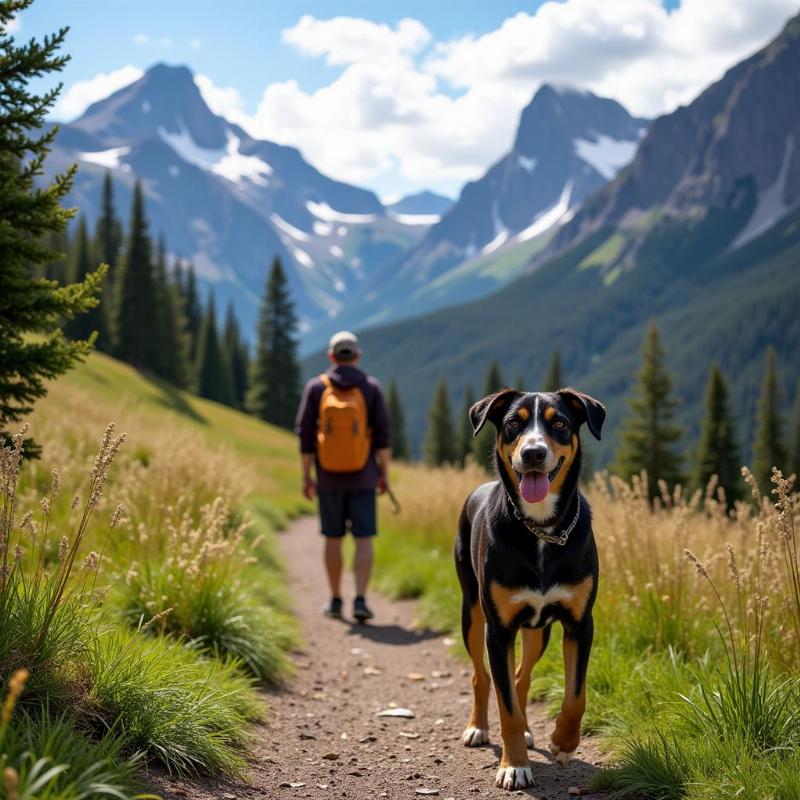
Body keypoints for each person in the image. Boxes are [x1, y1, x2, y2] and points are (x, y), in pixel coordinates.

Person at [295, 331, 391, 621]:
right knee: (363, 540)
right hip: (364, 478)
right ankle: (360, 600)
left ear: (331, 356)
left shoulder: (315, 387)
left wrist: (307, 476)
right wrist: (383, 473)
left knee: (333, 539)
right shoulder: (371, 388)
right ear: (357, 355)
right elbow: (383, 437)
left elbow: (305, 436)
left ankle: (335, 600)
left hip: (328, 478)